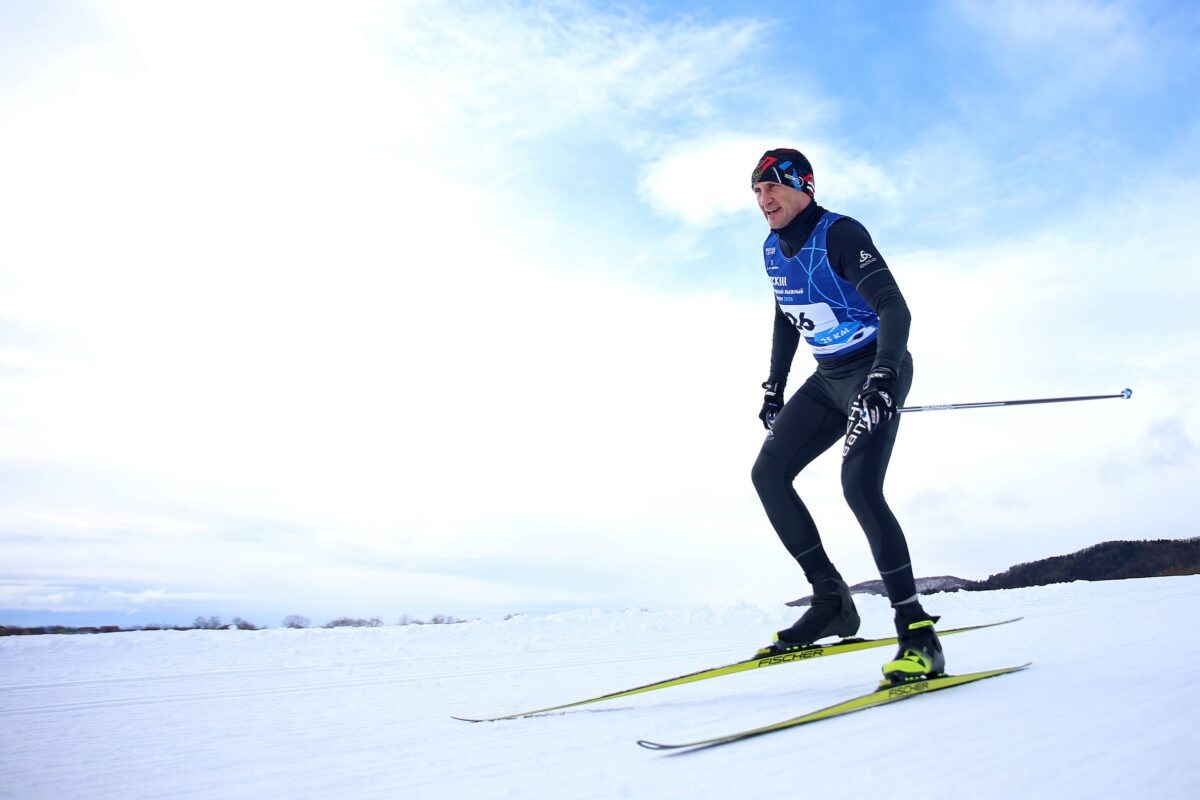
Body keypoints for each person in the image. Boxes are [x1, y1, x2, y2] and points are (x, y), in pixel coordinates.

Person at [747, 148, 943, 684]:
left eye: (772, 187)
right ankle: (832, 599)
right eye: (756, 191)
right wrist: (775, 385)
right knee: (768, 474)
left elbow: (894, 307)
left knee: (858, 486)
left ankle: (917, 633)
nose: (763, 200)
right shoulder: (771, 249)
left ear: (803, 186)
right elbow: (786, 314)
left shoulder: (840, 234)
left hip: (874, 368)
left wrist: (882, 376)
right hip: (828, 378)